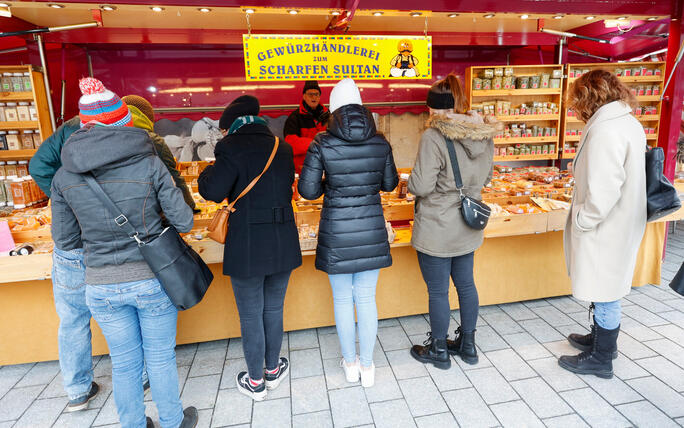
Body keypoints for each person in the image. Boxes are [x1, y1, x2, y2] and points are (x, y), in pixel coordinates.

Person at [28, 92, 195, 412]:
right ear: (126, 122)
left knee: (123, 363)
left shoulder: (64, 174)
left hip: (100, 282)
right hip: (149, 274)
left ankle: (121, 415)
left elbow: (65, 240)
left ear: (84, 125)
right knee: (159, 358)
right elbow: (184, 220)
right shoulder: (150, 159)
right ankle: (173, 421)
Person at [198, 95, 301, 401]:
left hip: (247, 243)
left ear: (231, 127)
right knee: (273, 308)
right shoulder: (281, 147)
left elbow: (214, 191)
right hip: (283, 239)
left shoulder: (230, 147)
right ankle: (272, 370)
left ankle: (255, 382)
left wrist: (207, 172)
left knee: (250, 314)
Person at [298, 78, 399, 388]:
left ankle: (350, 363)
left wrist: (334, 186)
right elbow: (390, 184)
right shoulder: (380, 142)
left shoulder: (321, 143)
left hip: (338, 232)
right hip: (370, 229)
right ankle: (368, 368)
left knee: (343, 300)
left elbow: (307, 190)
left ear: (333, 108)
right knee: (366, 299)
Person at [558, 69, 646, 379]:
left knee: (606, 289)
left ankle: (602, 356)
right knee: (605, 284)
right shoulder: (626, 122)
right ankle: (599, 339)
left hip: (606, 224)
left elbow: (605, 188)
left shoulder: (605, 130)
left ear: (588, 97)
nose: (576, 108)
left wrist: (583, 218)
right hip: (621, 221)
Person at [407, 74, 496, 370]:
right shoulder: (484, 132)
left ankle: (439, 350)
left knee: (438, 292)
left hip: (438, 225)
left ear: (434, 109)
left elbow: (421, 186)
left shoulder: (434, 136)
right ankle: (468, 345)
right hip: (468, 225)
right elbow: (486, 178)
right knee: (466, 285)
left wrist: (408, 184)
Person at [122, 95, 197, 211]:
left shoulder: (107, 138)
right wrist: (190, 207)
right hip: (148, 212)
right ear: (146, 117)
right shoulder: (152, 141)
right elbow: (173, 177)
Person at [284, 80, 330, 173]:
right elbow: (290, 143)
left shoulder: (328, 115)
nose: (314, 97)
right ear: (304, 96)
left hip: (326, 167)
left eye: (316, 94)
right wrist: (316, 143)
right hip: (303, 169)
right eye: (310, 94)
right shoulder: (294, 117)